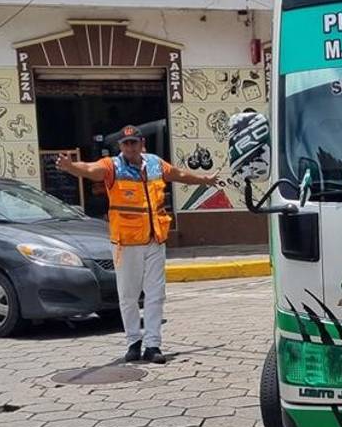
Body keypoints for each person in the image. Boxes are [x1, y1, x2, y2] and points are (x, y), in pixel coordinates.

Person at [57, 125, 220, 364]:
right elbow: (91, 170)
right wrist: (71, 167)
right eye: (126, 144)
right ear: (120, 146)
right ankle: (133, 342)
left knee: (156, 295)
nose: (130, 147)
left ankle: (153, 344)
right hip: (127, 242)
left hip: (155, 240)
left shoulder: (154, 163)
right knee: (129, 295)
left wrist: (204, 179)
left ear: (142, 143)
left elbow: (178, 174)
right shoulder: (112, 166)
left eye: (134, 142)